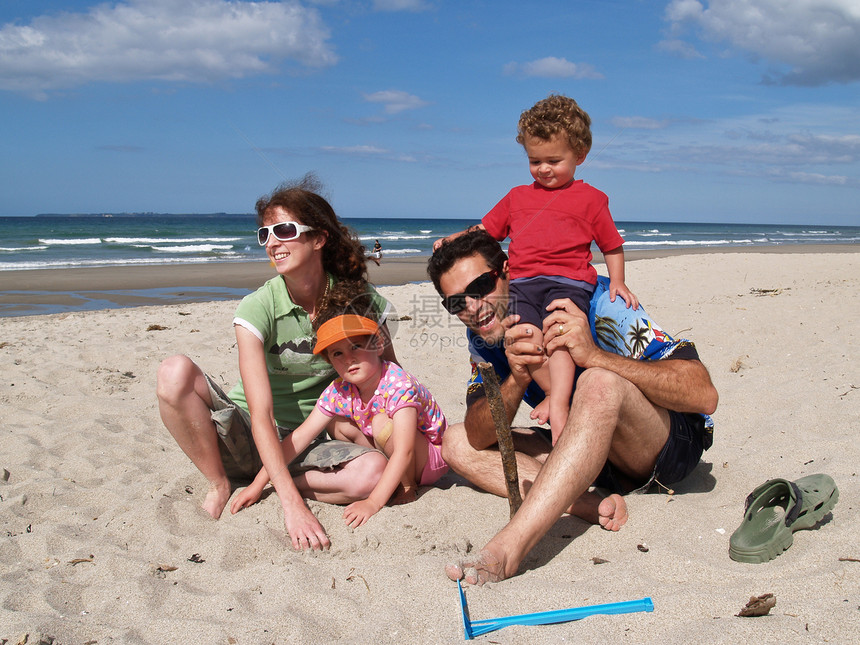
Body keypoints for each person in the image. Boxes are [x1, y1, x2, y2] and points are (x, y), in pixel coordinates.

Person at [426, 230, 718, 585]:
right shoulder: (484, 337)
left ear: (507, 270)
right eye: (456, 303)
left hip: (664, 445)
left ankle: (509, 546)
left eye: (481, 286)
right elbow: (478, 433)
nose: (473, 308)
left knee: (597, 382)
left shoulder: (600, 301)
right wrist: (516, 380)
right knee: (455, 441)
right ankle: (580, 502)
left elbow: (704, 395)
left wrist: (596, 356)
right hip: (591, 453)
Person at [156, 174, 397, 551]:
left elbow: (387, 380)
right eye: (264, 234)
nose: (272, 243)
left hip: (315, 436)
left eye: (283, 230)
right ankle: (220, 483)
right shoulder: (258, 307)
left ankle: (271, 479)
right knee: (173, 372)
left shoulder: (359, 298)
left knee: (372, 474)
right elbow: (261, 413)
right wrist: (292, 506)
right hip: (249, 432)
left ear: (319, 238)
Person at [435, 95, 638, 445]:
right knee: (523, 335)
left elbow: (611, 245)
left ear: (580, 156)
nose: (544, 169)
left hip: (568, 281)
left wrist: (618, 282)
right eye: (534, 161)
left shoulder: (592, 199)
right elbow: (486, 230)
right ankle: (552, 393)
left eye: (554, 161)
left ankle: (558, 402)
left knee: (557, 335)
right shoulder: (517, 197)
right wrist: (458, 235)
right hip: (525, 284)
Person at [231, 281, 448, 528]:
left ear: (377, 344)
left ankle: (406, 487)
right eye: (337, 353)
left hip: (428, 458)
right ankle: (379, 475)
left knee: (380, 422)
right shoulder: (339, 390)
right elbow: (301, 436)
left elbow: (406, 449)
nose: (349, 359)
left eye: (356, 346)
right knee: (335, 422)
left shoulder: (397, 382)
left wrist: (374, 502)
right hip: (391, 448)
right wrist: (259, 483)